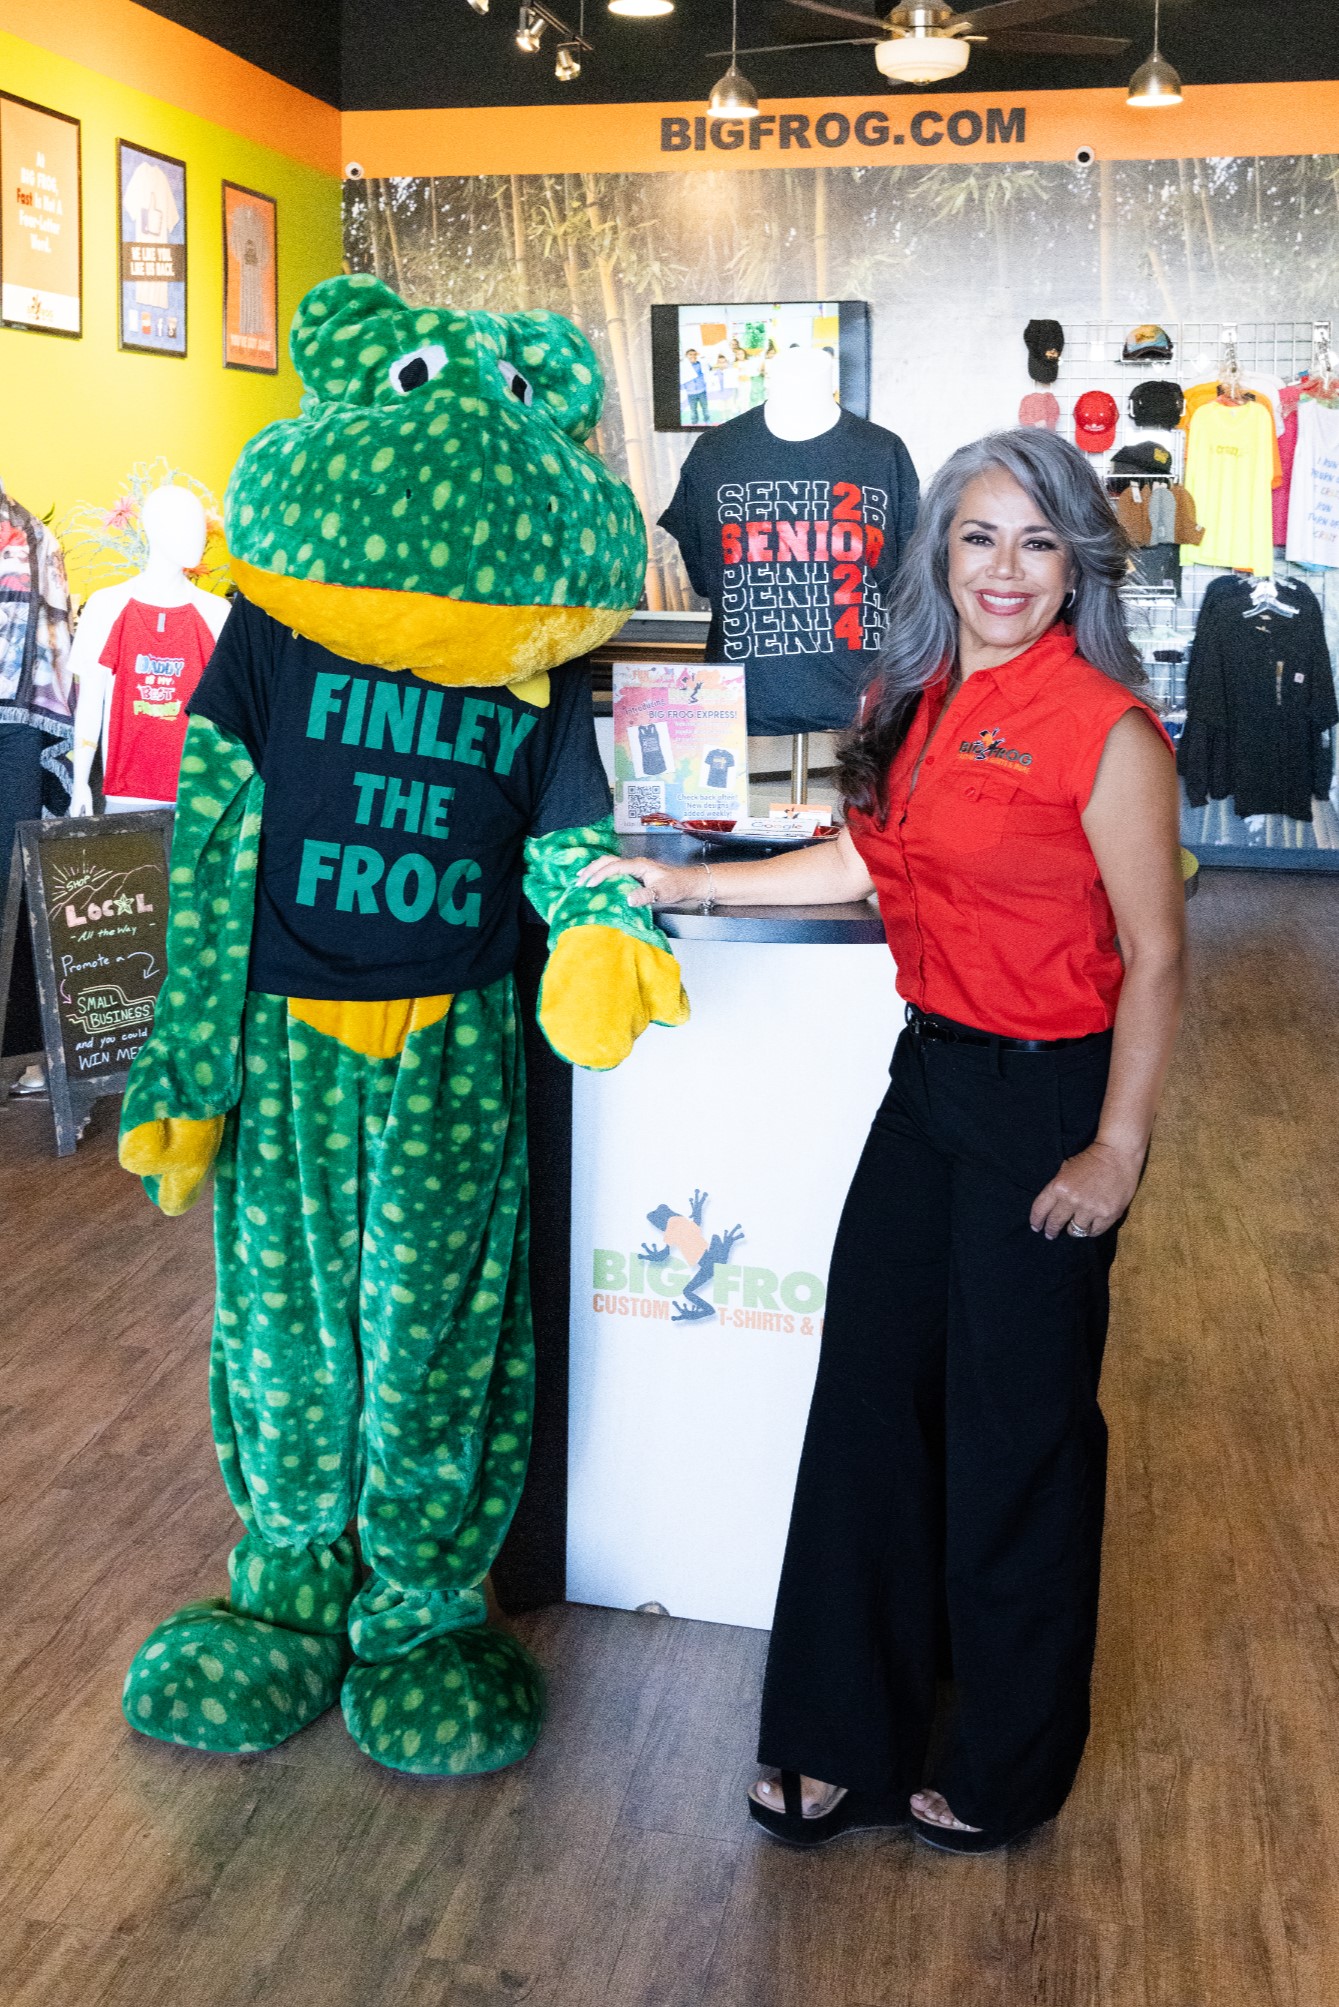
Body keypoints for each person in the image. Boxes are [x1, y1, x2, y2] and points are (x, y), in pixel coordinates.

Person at [578, 428, 1187, 1855]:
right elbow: (867, 857)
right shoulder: (906, 695)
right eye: (978, 537)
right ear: (934, 551)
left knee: (1013, 1437)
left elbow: (1155, 960)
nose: (1003, 570)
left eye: (1036, 543)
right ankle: (836, 1730)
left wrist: (1114, 1150)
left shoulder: (1101, 729)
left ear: (1072, 566)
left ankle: (1006, 1757)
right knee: (862, 1402)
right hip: (926, 1085)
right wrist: (683, 882)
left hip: (1048, 1097)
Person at [680, 348, 709, 426]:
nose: (693, 356)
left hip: (702, 390)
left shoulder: (701, 364)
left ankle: (707, 422)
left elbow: (708, 371)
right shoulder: (683, 367)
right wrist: (683, 387)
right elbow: (681, 378)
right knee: (693, 410)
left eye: (694, 354)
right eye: (690, 354)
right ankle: (694, 424)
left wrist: (703, 357)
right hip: (690, 392)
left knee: (705, 408)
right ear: (686, 356)